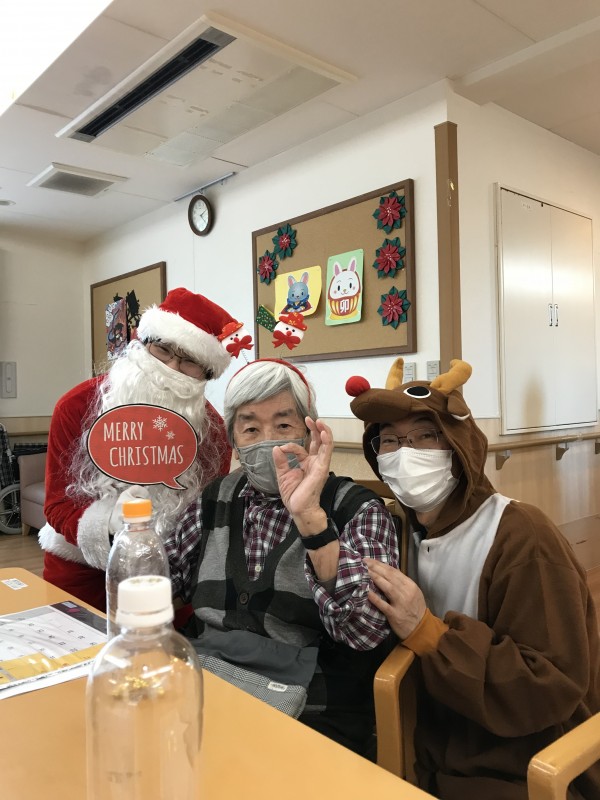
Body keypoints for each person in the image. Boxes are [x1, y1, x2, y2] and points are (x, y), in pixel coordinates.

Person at [346, 357, 600, 799]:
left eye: (425, 436)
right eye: (389, 440)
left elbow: (549, 684)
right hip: (423, 741)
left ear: (459, 446)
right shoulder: (395, 531)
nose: (406, 453)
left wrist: (429, 634)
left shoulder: (522, 536)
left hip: (519, 756)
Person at [165, 358, 399, 755]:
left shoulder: (358, 509)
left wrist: (310, 519)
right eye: (251, 428)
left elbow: (366, 631)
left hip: (314, 704)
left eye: (284, 425)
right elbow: (163, 578)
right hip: (206, 682)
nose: (268, 441)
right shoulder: (216, 497)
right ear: (234, 440)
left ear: (309, 431)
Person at [41, 288, 243, 611]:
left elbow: (206, 517)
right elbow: (56, 505)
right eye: (162, 349)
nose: (170, 368)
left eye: (189, 360)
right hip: (81, 574)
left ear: (207, 372)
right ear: (142, 343)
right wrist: (107, 522)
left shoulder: (214, 433)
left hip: (168, 580)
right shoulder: (76, 406)